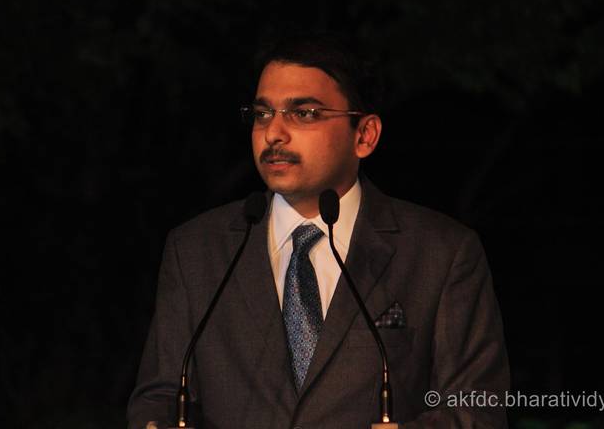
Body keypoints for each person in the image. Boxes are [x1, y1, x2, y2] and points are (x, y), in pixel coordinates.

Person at [127, 32, 509, 429]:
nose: (273, 133)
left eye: (304, 113)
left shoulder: (441, 253)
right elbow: (160, 397)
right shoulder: (195, 250)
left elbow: (478, 408)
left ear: (364, 135)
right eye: (263, 114)